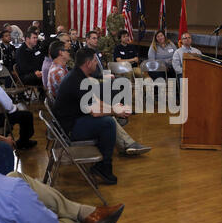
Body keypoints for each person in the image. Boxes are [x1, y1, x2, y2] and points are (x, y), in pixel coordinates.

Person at [53, 48, 150, 185]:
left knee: (107, 119)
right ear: (87, 64)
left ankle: (101, 164)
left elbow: (94, 100)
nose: (96, 64)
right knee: (108, 123)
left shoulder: (78, 75)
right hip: (68, 129)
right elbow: (95, 111)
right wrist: (115, 112)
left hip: (72, 121)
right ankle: (104, 166)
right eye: (94, 61)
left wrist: (114, 107)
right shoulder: (78, 80)